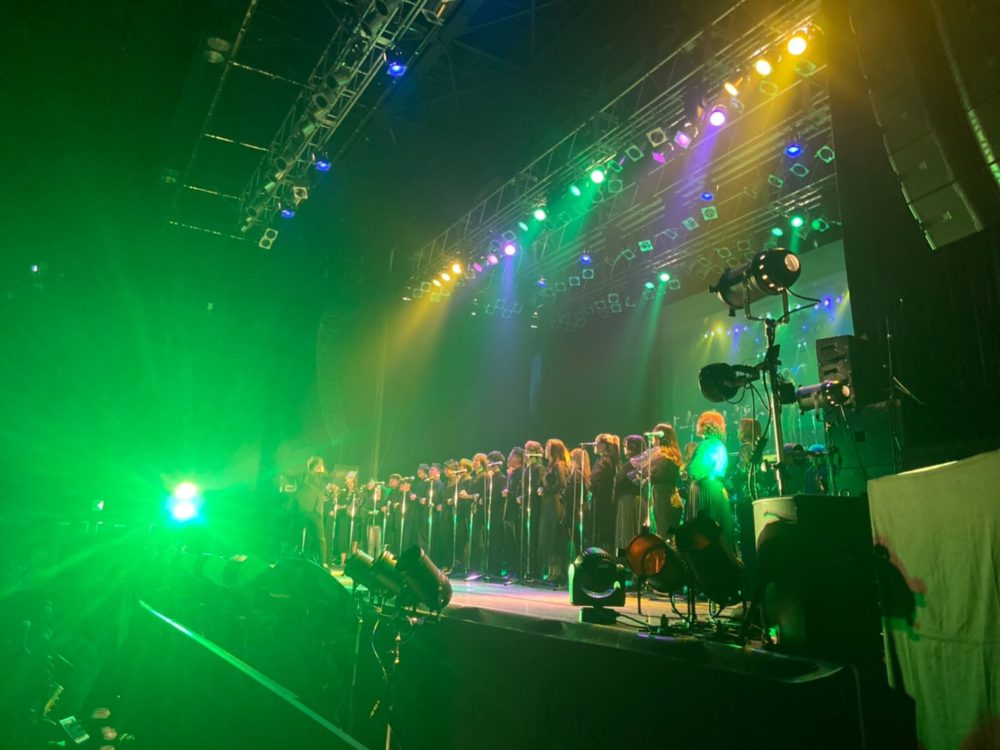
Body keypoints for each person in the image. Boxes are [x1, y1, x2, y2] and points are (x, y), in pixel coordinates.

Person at [687, 410, 735, 554]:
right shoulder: (720, 445)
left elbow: (695, 470)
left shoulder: (705, 445)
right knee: (719, 529)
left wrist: (688, 470)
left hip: (705, 489)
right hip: (716, 488)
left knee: (703, 530)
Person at [634, 423, 683, 537]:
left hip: (661, 493)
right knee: (668, 527)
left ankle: (664, 546)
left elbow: (660, 475)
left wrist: (646, 475)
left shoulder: (660, 454)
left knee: (662, 526)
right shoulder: (672, 453)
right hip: (671, 492)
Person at [538, 439, 570, 584]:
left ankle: (557, 571)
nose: (546, 450)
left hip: (555, 503)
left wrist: (547, 490)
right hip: (548, 503)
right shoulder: (550, 465)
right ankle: (551, 571)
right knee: (548, 537)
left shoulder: (559, 464)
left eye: (548, 447)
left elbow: (562, 484)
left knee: (554, 536)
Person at [614, 436, 645, 554]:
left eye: (626, 446)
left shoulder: (634, 463)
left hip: (629, 499)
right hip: (632, 499)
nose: (624, 449)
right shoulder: (638, 462)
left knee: (627, 529)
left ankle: (630, 554)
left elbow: (620, 480)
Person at [297, 457, 328, 565]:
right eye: (319, 465)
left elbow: (325, 478)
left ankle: (323, 562)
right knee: (296, 535)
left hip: (316, 512)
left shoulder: (322, 477)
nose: (321, 467)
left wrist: (319, 471)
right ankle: (290, 558)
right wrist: (309, 467)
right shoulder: (305, 475)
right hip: (303, 510)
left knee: (320, 539)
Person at [590, 434, 619, 552]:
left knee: (600, 529)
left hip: (601, 500)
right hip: (607, 500)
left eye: (596, 443)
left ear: (602, 446)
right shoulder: (611, 461)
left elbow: (596, 482)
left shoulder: (604, 461)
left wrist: (587, 481)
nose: (594, 446)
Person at [523, 441, 545, 579]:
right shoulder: (527, 469)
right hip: (526, 506)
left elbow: (541, 485)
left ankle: (536, 571)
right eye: (526, 450)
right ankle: (527, 568)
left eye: (529, 451)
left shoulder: (539, 468)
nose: (526, 453)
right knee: (527, 538)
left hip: (535, 506)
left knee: (534, 538)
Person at [502, 447, 525, 578]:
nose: (509, 458)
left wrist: (509, 493)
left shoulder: (522, 473)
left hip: (516, 513)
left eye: (512, 456)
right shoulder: (511, 474)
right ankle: (510, 569)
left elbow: (519, 492)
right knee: (509, 543)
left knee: (516, 543)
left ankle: (517, 570)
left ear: (519, 459)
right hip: (508, 512)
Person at [483, 450, 506, 576]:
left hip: (497, 515)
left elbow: (499, 498)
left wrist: (484, 499)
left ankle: (495, 570)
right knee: (490, 543)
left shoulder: (501, 478)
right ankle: (489, 568)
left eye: (489, 462)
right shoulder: (491, 478)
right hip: (489, 515)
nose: (488, 465)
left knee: (496, 543)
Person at [568, 446, 591, 557]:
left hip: (575, 510)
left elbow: (573, 493)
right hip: (581, 509)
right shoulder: (584, 474)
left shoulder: (576, 474)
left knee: (577, 541)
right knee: (580, 541)